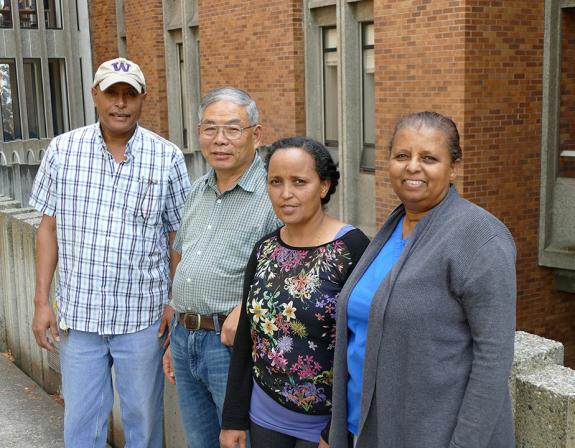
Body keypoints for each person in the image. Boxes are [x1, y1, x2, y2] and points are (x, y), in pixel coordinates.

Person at [30, 57, 191, 447]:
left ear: (142, 100)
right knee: (82, 425)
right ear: (94, 95)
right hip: (78, 316)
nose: (120, 103)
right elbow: (48, 228)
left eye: (129, 95)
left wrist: (174, 300)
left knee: (145, 422)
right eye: (111, 93)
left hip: (143, 318)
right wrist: (40, 303)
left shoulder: (166, 157)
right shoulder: (62, 150)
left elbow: (178, 238)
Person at [329, 112, 516, 447]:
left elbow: (493, 359)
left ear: (454, 167)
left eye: (429, 158)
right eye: (402, 156)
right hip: (367, 429)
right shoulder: (392, 228)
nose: (413, 166)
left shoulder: (480, 237)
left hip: (434, 435)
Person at [220, 137, 370, 448]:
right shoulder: (265, 249)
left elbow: (363, 345)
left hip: (325, 424)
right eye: (276, 181)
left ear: (324, 186)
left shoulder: (353, 248)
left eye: (299, 182)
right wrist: (233, 418)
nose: (285, 193)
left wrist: (339, 429)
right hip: (265, 415)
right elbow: (248, 333)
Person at [162, 87, 281, 448]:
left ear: (256, 134)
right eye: (210, 129)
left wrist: (243, 308)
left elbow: (288, 270)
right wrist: (174, 335)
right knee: (201, 442)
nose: (219, 140)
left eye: (232, 129)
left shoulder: (274, 193)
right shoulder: (198, 189)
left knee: (238, 441)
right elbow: (180, 258)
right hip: (186, 338)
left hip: (231, 344)